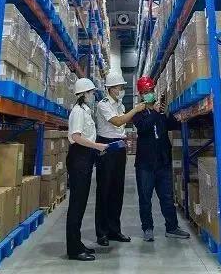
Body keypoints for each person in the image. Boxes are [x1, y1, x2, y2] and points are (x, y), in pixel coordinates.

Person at [130, 76, 191, 242]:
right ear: (141, 94)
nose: (149, 93)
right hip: (145, 165)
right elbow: (143, 127)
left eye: (151, 90)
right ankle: (147, 228)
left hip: (163, 162)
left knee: (167, 197)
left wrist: (166, 113)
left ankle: (172, 227)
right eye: (146, 92)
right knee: (145, 198)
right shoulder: (137, 112)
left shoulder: (160, 111)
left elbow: (173, 125)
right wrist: (156, 113)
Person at [66, 78, 114, 261]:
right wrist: (96, 146)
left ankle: (77, 243)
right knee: (76, 205)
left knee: (81, 203)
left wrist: (95, 149)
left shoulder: (85, 110)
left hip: (84, 157)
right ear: (84, 93)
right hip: (79, 157)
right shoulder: (78, 112)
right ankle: (74, 250)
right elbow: (76, 137)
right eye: (92, 92)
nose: (93, 95)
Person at [94, 73, 145, 246]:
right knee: (104, 190)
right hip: (106, 147)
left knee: (117, 190)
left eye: (122, 87)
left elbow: (123, 124)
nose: (121, 90)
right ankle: (102, 232)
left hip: (119, 147)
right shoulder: (103, 104)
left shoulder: (120, 104)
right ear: (110, 88)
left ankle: (114, 230)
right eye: (119, 87)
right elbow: (117, 121)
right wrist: (135, 110)